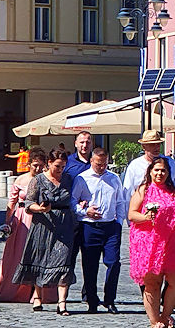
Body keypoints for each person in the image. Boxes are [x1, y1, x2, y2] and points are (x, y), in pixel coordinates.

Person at [128, 156, 175, 328]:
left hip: (172, 241)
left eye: (163, 170)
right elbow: (132, 214)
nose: (160, 173)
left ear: (168, 173)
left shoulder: (173, 191)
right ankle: (154, 322)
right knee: (152, 283)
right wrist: (146, 218)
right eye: (156, 170)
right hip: (149, 241)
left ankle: (165, 316)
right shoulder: (143, 190)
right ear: (150, 172)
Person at [12, 150, 77, 315]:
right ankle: (38, 297)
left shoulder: (68, 179)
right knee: (39, 259)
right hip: (43, 224)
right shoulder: (38, 180)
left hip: (64, 225)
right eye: (57, 166)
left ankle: (62, 303)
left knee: (64, 261)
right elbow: (28, 203)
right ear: (49, 163)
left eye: (63, 166)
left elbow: (74, 199)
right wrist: (40, 209)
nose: (60, 169)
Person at [0, 148, 56, 304]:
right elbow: (11, 202)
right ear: (28, 164)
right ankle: (16, 290)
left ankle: (38, 292)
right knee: (18, 254)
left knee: (41, 255)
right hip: (22, 218)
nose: (38, 169)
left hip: (41, 218)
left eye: (41, 165)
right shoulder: (20, 180)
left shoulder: (46, 180)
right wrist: (8, 222)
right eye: (35, 165)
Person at [71, 147, 127, 314]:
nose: (102, 167)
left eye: (104, 164)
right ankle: (92, 300)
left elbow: (120, 202)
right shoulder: (82, 179)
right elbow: (73, 201)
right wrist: (84, 211)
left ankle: (110, 299)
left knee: (113, 262)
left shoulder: (114, 178)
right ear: (91, 161)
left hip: (110, 226)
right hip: (89, 226)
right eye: (98, 164)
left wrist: (119, 222)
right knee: (90, 265)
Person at [63, 130, 94, 300]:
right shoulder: (68, 164)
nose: (85, 145)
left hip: (91, 218)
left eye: (88, 142)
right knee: (69, 256)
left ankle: (88, 292)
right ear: (75, 143)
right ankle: (63, 293)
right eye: (81, 142)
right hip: (72, 218)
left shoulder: (96, 162)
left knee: (89, 257)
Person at [123, 129, 175, 201]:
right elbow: (128, 193)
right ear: (144, 147)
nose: (157, 147)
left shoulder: (170, 163)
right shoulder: (135, 166)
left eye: (158, 144)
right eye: (152, 144)